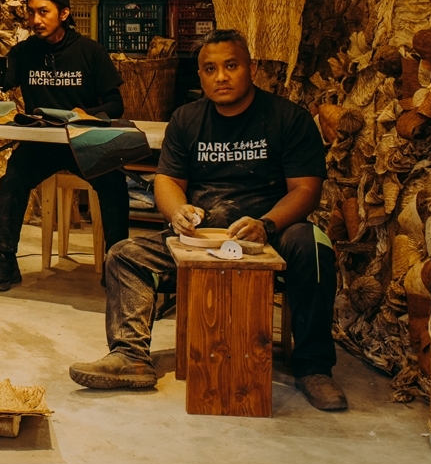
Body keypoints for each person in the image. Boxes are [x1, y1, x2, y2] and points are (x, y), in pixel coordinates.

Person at [68, 29, 347, 410]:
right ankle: (130, 356)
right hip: (202, 239)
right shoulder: (186, 119)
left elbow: (305, 190)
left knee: (313, 244)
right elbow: (167, 180)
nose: (221, 77)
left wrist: (266, 224)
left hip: (270, 235)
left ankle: (314, 367)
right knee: (124, 255)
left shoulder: (288, 118)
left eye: (231, 66)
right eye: (210, 69)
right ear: (199, 75)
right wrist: (177, 212)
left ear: (250, 69)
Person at [0, 0, 128, 292]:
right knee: (13, 178)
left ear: (63, 14)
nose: (35, 20)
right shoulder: (24, 52)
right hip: (41, 143)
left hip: (83, 142)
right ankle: (5, 260)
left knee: (114, 182)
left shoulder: (90, 51)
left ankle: (118, 263)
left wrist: (88, 113)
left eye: (43, 12)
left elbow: (115, 104)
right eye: (31, 12)